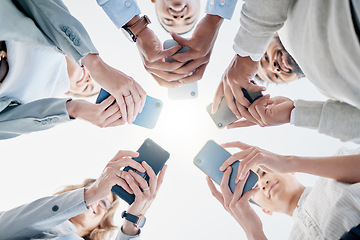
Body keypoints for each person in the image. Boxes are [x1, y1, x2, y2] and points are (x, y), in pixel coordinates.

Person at [170, 0, 360, 134]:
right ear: (296, 79)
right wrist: (293, 113)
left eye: (263, 58)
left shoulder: (288, 19)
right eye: (275, 76)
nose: (275, 67)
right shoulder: (329, 91)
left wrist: (246, 55)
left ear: (273, 34)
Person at [8, 0, 147, 126]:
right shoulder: (55, 33)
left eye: (87, 88)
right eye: (95, 79)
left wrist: (74, 109)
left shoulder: (39, 105)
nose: (89, 79)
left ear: (70, 91)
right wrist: (94, 63)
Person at [207, 141, 360, 239]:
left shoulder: (334, 174)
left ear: (290, 170)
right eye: (255, 187)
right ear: (266, 211)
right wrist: (252, 231)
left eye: (263, 173)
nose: (263, 183)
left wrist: (291, 161)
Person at [0, 150, 167, 240]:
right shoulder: (39, 215)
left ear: (100, 225)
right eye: (97, 195)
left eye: (103, 204)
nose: (96, 201)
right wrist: (91, 193)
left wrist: (132, 221)